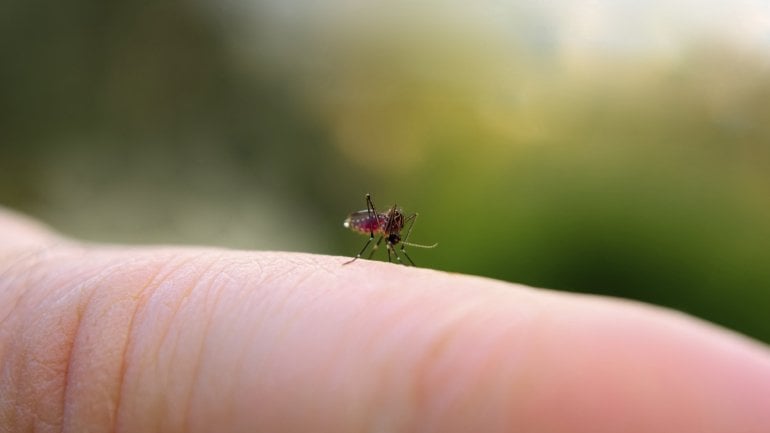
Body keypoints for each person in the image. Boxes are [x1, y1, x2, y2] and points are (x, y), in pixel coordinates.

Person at [1, 207, 768, 432]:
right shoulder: (375, 228)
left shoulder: (394, 228)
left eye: (387, 231)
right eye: (387, 231)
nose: (390, 232)